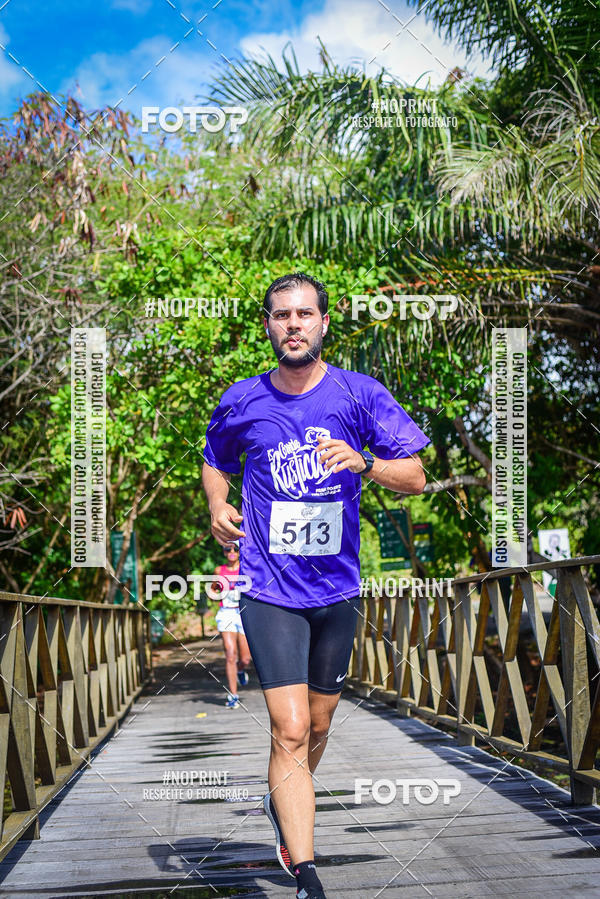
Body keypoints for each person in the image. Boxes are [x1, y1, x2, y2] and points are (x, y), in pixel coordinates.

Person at [202, 272, 429, 899]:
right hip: (269, 587)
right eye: (282, 315)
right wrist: (218, 505)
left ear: (324, 324)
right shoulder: (243, 399)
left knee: (319, 727)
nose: (293, 324)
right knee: (291, 728)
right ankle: (306, 872)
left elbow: (413, 476)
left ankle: (286, 794)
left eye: (305, 314)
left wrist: (365, 462)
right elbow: (215, 459)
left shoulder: (359, 396)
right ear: (269, 325)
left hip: (336, 591)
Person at [212, 542, 251, 709]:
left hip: (243, 613)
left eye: (235, 549)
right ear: (224, 552)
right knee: (230, 653)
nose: (232, 552)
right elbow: (213, 590)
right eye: (228, 549)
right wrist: (216, 594)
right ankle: (233, 695)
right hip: (226, 613)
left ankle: (241, 671)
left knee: (245, 659)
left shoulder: (246, 568)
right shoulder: (219, 571)